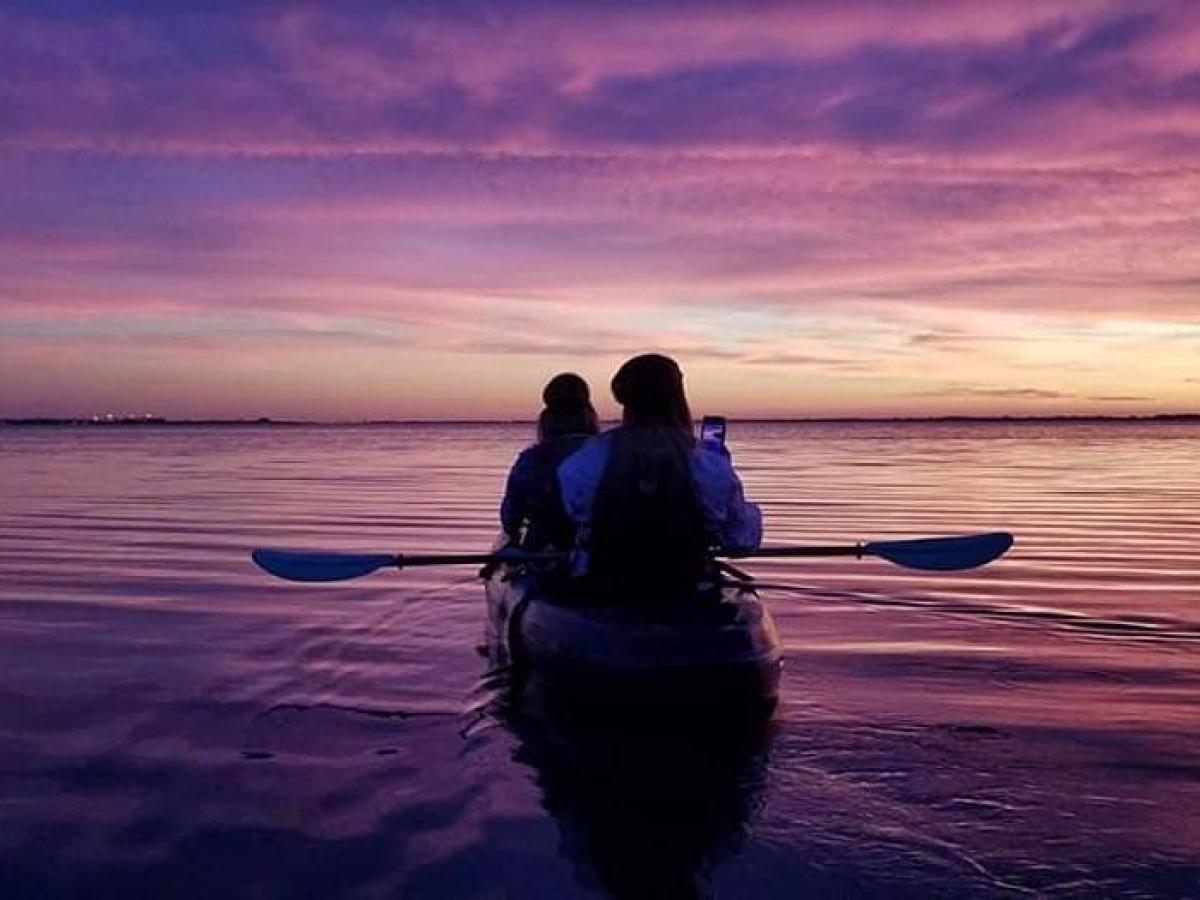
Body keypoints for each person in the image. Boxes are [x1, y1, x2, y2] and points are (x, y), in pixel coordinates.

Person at [559, 354, 761, 601]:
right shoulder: (710, 467)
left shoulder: (583, 462)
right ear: (678, 398)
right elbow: (741, 542)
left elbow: (576, 517)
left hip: (605, 591)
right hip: (686, 594)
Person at [500, 373, 600, 550]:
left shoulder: (531, 460)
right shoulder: (608, 453)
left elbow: (510, 518)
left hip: (543, 554)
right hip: (599, 554)